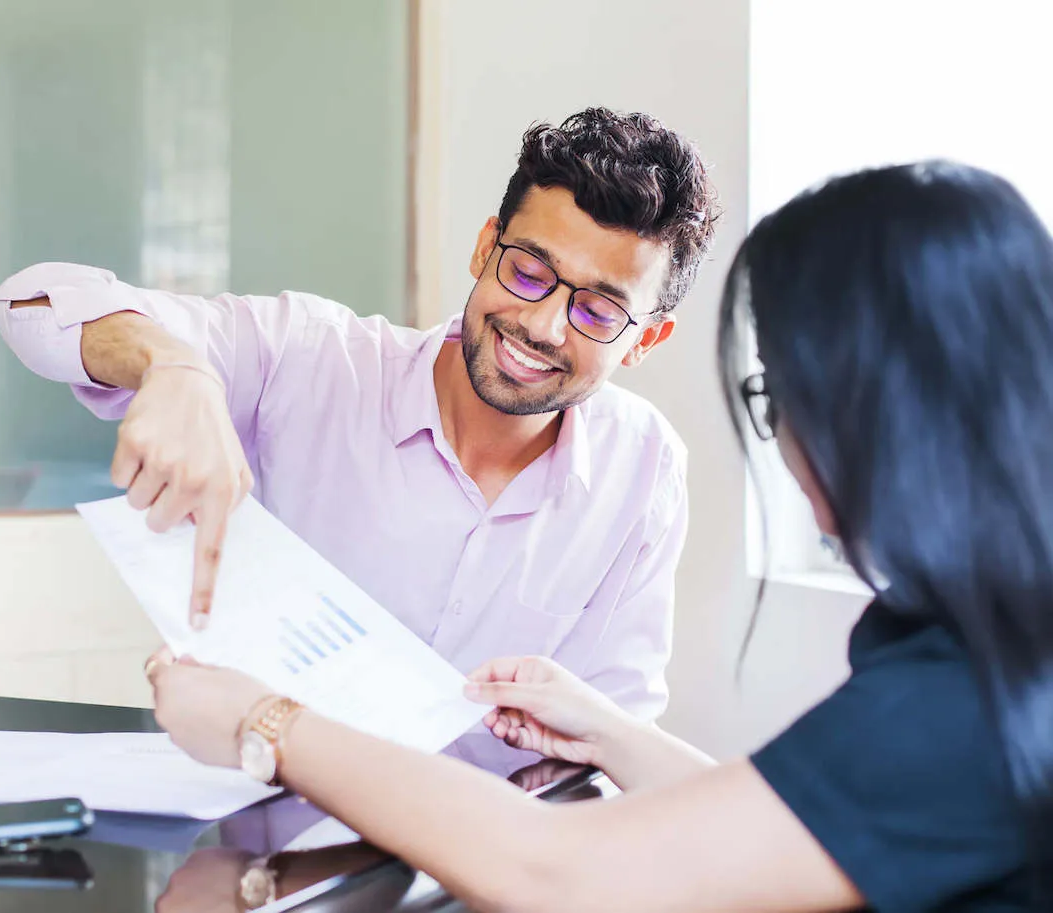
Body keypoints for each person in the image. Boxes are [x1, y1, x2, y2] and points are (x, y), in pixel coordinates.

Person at [146, 162, 1048, 910]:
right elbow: (777, 814)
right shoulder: (995, 650)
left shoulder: (961, 698)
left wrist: (267, 722)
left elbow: (561, 870)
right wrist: (608, 732)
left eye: (780, 397)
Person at [0, 108, 720, 719]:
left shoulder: (645, 468)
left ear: (647, 338)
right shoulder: (310, 361)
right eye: (527, 271)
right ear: (482, 247)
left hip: (487, 879)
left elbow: (613, 731)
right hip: (271, 871)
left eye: (596, 310)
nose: (543, 325)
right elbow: (32, 302)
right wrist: (172, 366)